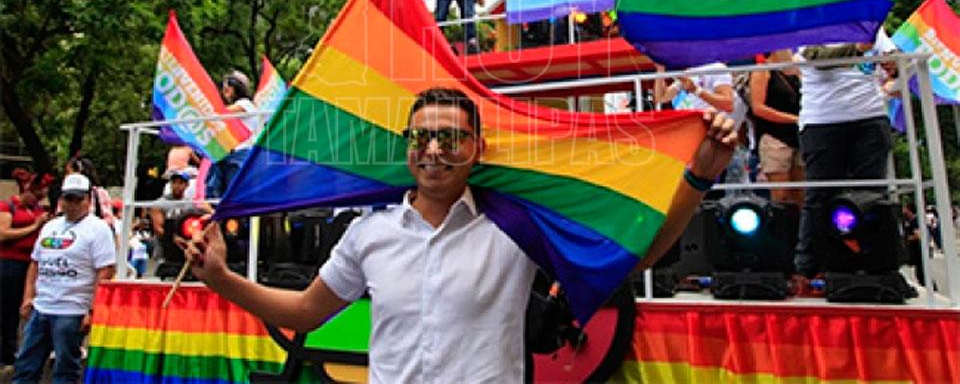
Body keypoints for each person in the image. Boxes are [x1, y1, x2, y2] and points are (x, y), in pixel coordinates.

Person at [184, 87, 738, 382]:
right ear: (407, 147)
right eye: (421, 137)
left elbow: (633, 258)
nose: (433, 150)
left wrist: (699, 177)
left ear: (477, 150)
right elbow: (305, 313)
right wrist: (222, 279)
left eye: (450, 138)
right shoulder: (367, 233)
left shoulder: (516, 226)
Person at [793, 33, 895, 278]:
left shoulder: (870, 25)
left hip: (869, 115)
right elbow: (816, 57)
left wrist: (894, 63)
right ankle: (808, 267)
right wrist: (857, 48)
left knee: (873, 194)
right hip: (823, 119)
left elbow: (892, 57)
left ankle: (877, 263)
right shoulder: (811, 23)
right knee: (820, 194)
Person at [14, 173, 115, 384]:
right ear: (61, 199)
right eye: (69, 198)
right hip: (42, 306)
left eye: (79, 198)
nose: (74, 204)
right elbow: (35, 263)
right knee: (25, 364)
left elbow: (105, 271)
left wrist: (92, 310)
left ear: (88, 199)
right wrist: (28, 297)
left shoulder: (99, 229)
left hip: (72, 309)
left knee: (65, 368)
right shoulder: (51, 226)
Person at [0, 170, 51, 371]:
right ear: (26, 190)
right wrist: (34, 226)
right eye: (36, 195)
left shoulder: (38, 209)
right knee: (6, 307)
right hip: (9, 262)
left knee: (23, 307)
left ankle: (14, 350)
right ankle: (5, 351)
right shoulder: (8, 206)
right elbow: (3, 234)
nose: (38, 200)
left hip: (30, 263)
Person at [750, 50, 803, 205]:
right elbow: (758, 108)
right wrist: (793, 119)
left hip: (798, 135)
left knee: (801, 192)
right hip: (774, 136)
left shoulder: (795, 72)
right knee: (781, 194)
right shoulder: (762, 71)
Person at [205, 71, 259, 199]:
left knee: (234, 192)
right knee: (217, 191)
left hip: (240, 153)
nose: (225, 93)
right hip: (227, 154)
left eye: (228, 89)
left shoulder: (245, 104)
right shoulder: (236, 107)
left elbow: (222, 113)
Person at [902, 203, 924, 285]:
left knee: (920, 271)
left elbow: (918, 235)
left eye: (905, 208)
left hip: (917, 249)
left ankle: (928, 285)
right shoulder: (909, 221)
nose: (903, 210)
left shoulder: (914, 221)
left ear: (909, 210)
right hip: (914, 249)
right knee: (919, 270)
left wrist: (907, 238)